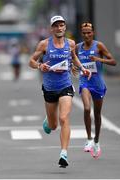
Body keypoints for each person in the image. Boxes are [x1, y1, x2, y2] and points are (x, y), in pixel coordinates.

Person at [29, 16, 91, 168]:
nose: (59, 28)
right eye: (56, 26)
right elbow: (31, 61)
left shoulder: (70, 43)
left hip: (65, 86)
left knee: (64, 118)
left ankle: (64, 153)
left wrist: (83, 68)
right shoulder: (44, 44)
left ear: (65, 27)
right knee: (53, 125)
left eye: (61, 25)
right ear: (52, 28)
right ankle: (48, 121)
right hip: (49, 88)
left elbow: (74, 57)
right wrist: (39, 66)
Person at [75, 22, 116, 159]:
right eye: (84, 32)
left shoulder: (99, 46)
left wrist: (98, 59)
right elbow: (72, 60)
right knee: (87, 109)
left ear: (93, 33)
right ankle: (88, 139)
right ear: (82, 33)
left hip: (97, 83)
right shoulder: (77, 47)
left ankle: (97, 141)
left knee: (97, 114)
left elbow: (113, 61)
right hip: (85, 81)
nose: (86, 35)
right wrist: (74, 68)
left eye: (89, 32)